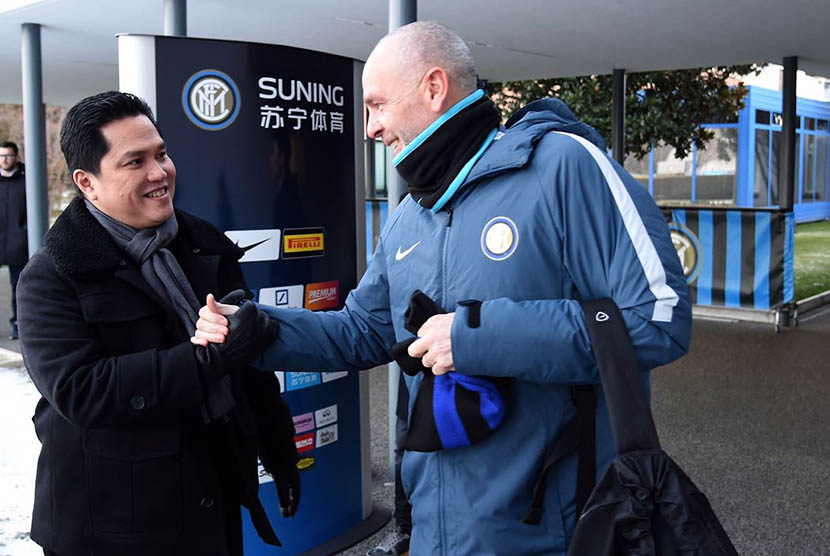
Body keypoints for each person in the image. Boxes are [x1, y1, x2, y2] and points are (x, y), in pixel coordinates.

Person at [195, 21, 691, 555]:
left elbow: (658, 319)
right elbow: (361, 331)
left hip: (552, 534)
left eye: (378, 105)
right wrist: (260, 329)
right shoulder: (412, 212)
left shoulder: (565, 167)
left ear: (433, 88)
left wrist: (476, 336)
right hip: (434, 531)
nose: (370, 129)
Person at [17, 91, 300, 556]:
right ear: (87, 183)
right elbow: (81, 391)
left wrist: (279, 449)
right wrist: (207, 359)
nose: (159, 173)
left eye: (161, 154)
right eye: (135, 162)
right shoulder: (51, 276)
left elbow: (249, 363)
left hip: (212, 501)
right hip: (111, 525)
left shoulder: (206, 246)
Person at [0, 140, 27, 339]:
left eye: (8, 155)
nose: (4, 160)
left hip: (19, 244)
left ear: (16, 157)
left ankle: (18, 325)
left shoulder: (27, 180)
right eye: (1, 156)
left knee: (19, 287)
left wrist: (23, 232)